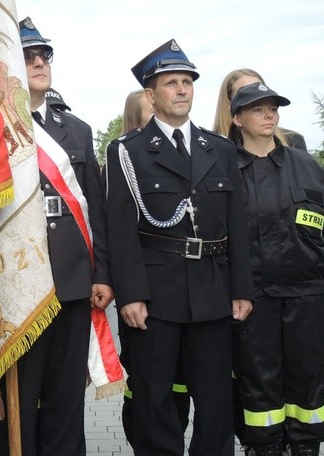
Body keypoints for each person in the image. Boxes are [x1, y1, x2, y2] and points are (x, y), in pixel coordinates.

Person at [104, 39, 254, 455]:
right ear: (151, 95)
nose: (182, 89)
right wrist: (131, 295)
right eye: (172, 83)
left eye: (187, 81)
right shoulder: (127, 153)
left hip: (212, 291)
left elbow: (236, 224)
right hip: (156, 294)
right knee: (154, 401)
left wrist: (242, 288)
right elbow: (120, 230)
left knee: (216, 399)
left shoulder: (220, 149)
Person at [0, 16, 111, 454]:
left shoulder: (77, 130)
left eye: (44, 55)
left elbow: (94, 211)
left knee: (66, 395)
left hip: (70, 279)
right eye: (27, 56)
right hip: (18, 282)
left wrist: (101, 274)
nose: (39, 61)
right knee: (22, 397)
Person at [228, 82, 324, 456]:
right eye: (258, 109)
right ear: (237, 118)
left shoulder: (306, 165)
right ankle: (264, 447)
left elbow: (319, 224)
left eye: (273, 108)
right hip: (254, 297)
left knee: (308, 380)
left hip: (307, 293)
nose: (269, 114)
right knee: (259, 382)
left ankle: (305, 445)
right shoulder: (225, 168)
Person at [114, 88, 191, 446]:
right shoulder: (125, 158)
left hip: (184, 293)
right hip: (147, 292)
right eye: (151, 110)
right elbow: (120, 233)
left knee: (177, 382)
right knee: (146, 384)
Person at [213, 68, 307, 151]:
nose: (255, 93)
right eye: (245, 91)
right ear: (229, 104)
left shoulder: (293, 141)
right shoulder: (213, 146)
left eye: (259, 88)